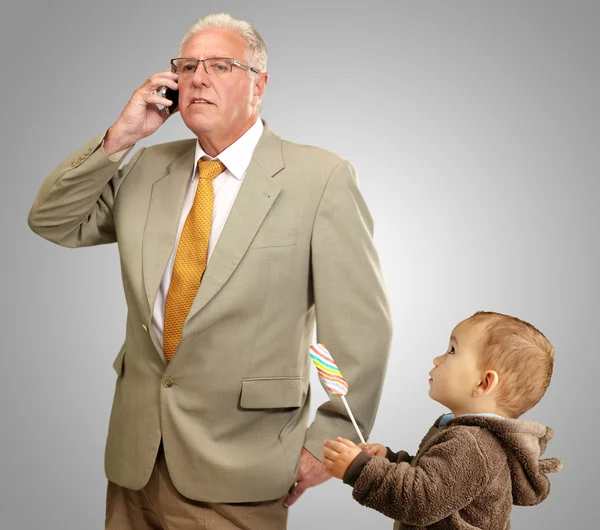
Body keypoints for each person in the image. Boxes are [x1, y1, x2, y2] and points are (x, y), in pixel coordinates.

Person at [27, 12, 392, 530]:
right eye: (187, 66)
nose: (198, 78)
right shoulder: (147, 167)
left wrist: (329, 440)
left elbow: (359, 329)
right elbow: (52, 220)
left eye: (220, 65)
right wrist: (121, 136)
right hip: (136, 461)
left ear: (259, 85)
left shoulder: (321, 178)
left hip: (245, 466)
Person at [323, 311, 562, 529]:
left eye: (452, 351)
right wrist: (390, 459)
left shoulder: (472, 444)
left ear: (483, 383)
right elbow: (432, 475)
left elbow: (421, 500)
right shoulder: (469, 436)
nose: (437, 359)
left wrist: (360, 469)